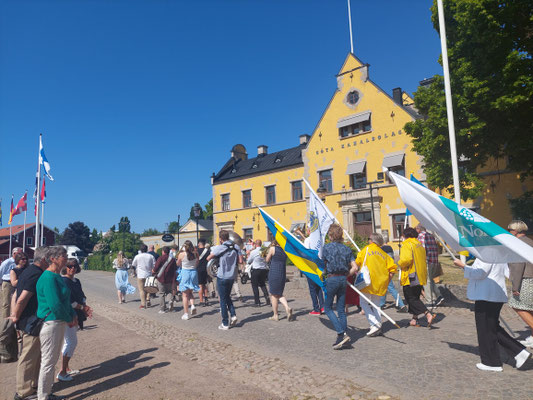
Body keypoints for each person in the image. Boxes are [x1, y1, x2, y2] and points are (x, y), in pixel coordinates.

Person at [454, 257, 531, 371]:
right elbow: (506, 272)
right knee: (492, 327)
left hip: (486, 295)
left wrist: (463, 266)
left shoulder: (486, 253)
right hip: (493, 294)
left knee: (485, 328)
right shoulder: (497, 252)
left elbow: (481, 273)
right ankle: (519, 352)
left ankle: (492, 362)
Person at [36, 246, 77, 400]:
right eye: (63, 256)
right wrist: (68, 318)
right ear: (52, 259)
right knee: (48, 362)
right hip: (51, 322)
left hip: (58, 322)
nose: (65, 258)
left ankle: (47, 392)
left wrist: (71, 314)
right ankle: (43, 396)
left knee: (51, 361)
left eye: (65, 255)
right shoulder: (48, 277)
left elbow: (64, 301)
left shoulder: (57, 276)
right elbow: (55, 304)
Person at [9, 247, 48, 400]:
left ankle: (33, 385)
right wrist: (15, 317)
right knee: (28, 357)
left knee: (34, 355)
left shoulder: (30, 271)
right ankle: (23, 392)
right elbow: (22, 298)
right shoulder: (35, 274)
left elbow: (17, 296)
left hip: (29, 321)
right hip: (30, 322)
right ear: (44, 259)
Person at [322, 224, 358, 349]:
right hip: (343, 279)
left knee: (327, 308)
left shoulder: (326, 248)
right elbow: (355, 267)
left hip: (332, 279)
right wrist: (347, 274)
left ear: (330, 235)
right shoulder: (347, 249)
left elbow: (323, 264)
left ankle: (340, 333)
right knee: (341, 310)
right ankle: (342, 338)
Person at [355, 233, 397, 336]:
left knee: (363, 303)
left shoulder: (366, 250)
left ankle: (375, 324)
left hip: (368, 282)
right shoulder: (383, 253)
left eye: (368, 239)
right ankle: (378, 326)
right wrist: (387, 281)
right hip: (380, 282)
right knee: (376, 304)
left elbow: (357, 262)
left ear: (372, 240)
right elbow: (393, 268)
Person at [57, 259, 92, 382]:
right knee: (71, 342)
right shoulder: (63, 280)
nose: (73, 268)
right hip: (68, 314)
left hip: (77, 313)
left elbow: (81, 295)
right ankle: (62, 372)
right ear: (66, 267)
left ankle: (66, 368)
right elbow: (69, 302)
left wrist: (85, 306)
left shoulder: (77, 281)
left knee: (69, 341)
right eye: (70, 266)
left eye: (75, 266)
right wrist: (82, 307)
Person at [398, 227, 435, 327]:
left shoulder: (406, 244)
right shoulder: (419, 245)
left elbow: (406, 260)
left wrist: (399, 263)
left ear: (406, 235)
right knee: (415, 296)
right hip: (420, 274)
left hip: (411, 275)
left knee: (411, 298)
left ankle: (428, 314)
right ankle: (414, 319)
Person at [207, 230, 242, 330]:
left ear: (220, 238)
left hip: (222, 276)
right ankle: (233, 315)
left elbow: (208, 258)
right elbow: (240, 261)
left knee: (222, 300)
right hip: (232, 276)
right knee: (227, 297)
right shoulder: (236, 247)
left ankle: (225, 323)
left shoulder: (221, 247)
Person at [507, 220, 533, 348]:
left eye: (509, 230)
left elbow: (518, 266)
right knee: (531, 309)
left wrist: (515, 287)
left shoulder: (517, 244)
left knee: (516, 305)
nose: (508, 232)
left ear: (515, 231)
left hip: (526, 280)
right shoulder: (530, 242)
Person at [416, 224, 444, 307]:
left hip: (426, 261)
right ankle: (439, 296)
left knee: (426, 281)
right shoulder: (431, 236)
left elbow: (421, 250)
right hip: (434, 261)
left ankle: (429, 301)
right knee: (430, 280)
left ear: (419, 229)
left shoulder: (421, 236)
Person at [266, 238, 293, 321]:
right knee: (279, 293)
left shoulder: (272, 248)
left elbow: (267, 260)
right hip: (282, 273)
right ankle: (287, 308)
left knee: (273, 294)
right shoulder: (285, 250)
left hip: (274, 272)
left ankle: (275, 315)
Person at [378, 243, 407, 312]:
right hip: (389, 269)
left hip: (385, 270)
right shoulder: (389, 248)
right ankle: (381, 303)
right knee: (384, 286)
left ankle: (401, 305)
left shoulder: (382, 250)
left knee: (390, 287)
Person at [303, 228, 324, 315]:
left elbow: (305, 252)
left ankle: (316, 309)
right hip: (319, 266)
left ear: (309, 231)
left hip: (311, 266)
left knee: (312, 289)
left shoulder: (307, 240)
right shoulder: (319, 239)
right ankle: (322, 307)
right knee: (319, 287)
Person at [177, 240, 199, 320]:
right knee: (190, 292)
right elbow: (197, 262)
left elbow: (178, 263)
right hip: (193, 273)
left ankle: (186, 313)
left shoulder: (181, 254)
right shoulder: (196, 254)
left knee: (185, 295)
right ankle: (192, 305)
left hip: (185, 273)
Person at [153, 246, 178, 313]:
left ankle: (162, 309)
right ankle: (170, 303)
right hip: (170, 278)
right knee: (169, 292)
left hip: (161, 278)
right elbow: (175, 268)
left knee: (161, 293)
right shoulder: (172, 259)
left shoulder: (160, 258)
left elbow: (156, 268)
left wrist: (154, 271)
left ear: (163, 251)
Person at [1, 247, 23, 320]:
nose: (21, 254)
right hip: (8, 283)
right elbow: (1, 272)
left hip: (17, 283)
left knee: (16, 302)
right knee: (6, 303)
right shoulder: (7, 262)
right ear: (14, 253)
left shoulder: (21, 262)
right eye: (20, 253)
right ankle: (5, 321)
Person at [247, 239, 270, 307]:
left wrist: (250, 253)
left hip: (256, 269)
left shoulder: (254, 252)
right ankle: (267, 298)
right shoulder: (264, 251)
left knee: (255, 286)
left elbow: (249, 261)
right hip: (263, 269)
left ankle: (257, 302)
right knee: (262, 284)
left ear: (255, 244)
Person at [131, 244, 155, 309]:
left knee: (141, 290)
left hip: (140, 274)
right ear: (147, 249)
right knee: (148, 288)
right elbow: (154, 265)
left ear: (140, 250)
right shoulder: (151, 256)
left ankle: (143, 304)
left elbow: (133, 265)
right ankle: (148, 299)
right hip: (148, 274)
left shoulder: (137, 256)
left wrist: (134, 272)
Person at [196, 239, 211, 306]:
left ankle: (201, 300)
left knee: (200, 285)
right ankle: (206, 298)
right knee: (205, 285)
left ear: (199, 243)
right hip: (206, 269)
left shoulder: (196, 252)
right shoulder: (208, 251)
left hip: (199, 269)